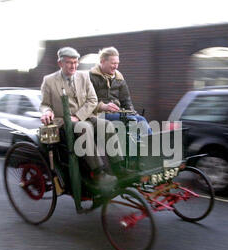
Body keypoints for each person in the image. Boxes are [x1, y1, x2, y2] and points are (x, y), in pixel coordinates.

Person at [39, 47, 126, 187]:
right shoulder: (49, 81)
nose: (73, 66)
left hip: (83, 117)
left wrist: (78, 116)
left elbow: (92, 100)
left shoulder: (84, 76)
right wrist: (47, 112)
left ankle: (118, 167)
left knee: (107, 125)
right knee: (84, 128)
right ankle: (99, 173)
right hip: (63, 122)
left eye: (75, 62)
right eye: (69, 62)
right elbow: (44, 104)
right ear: (60, 63)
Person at [89, 47, 152, 135]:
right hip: (98, 114)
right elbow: (87, 101)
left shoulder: (119, 78)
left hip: (117, 113)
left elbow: (126, 100)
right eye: (113, 63)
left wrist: (133, 112)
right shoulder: (90, 77)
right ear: (102, 61)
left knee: (140, 119)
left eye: (117, 63)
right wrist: (103, 106)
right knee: (131, 121)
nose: (116, 66)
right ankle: (139, 147)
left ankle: (151, 145)